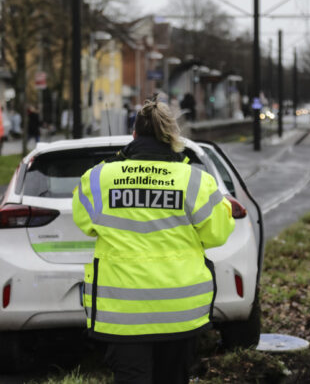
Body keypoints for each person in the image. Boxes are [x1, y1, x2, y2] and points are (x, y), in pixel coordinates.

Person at [72, 99, 235, 384]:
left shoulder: (99, 178)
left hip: (122, 314)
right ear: (172, 136)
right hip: (180, 312)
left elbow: (85, 224)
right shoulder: (195, 181)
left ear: (134, 135)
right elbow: (218, 234)